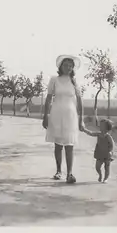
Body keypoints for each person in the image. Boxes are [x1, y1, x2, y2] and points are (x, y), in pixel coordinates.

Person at [42, 55, 84, 184]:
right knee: (58, 144)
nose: (68, 68)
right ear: (61, 66)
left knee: (69, 144)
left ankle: (69, 173)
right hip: (56, 113)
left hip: (70, 115)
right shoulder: (54, 80)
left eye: (70, 66)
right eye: (65, 65)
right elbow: (49, 99)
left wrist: (81, 118)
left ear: (73, 68)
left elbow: (80, 100)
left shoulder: (74, 81)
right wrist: (45, 116)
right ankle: (59, 171)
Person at [82, 118, 115, 183]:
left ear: (106, 128)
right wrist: (84, 130)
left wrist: (110, 152)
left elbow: (112, 144)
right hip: (100, 153)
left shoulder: (108, 137)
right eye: (100, 125)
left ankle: (105, 178)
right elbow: (91, 133)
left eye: (102, 126)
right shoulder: (98, 134)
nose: (100, 126)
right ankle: (100, 174)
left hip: (107, 154)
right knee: (97, 167)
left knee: (107, 167)